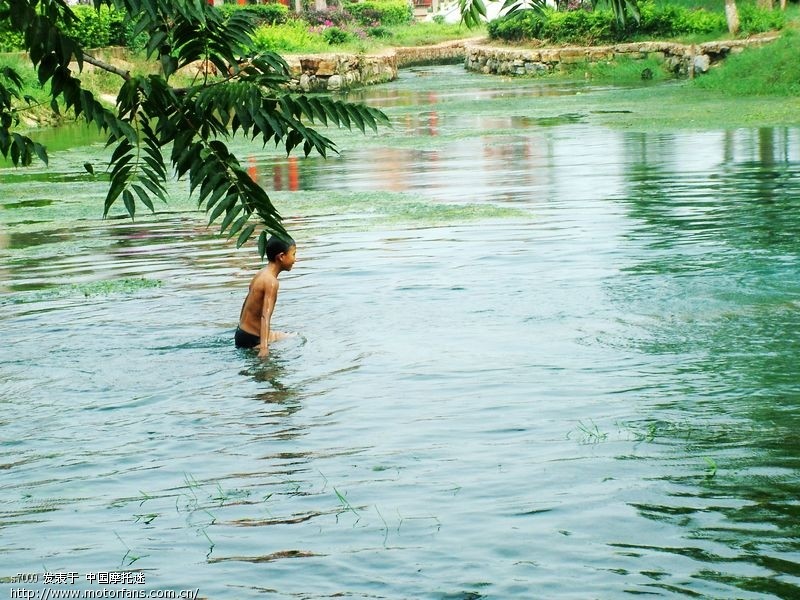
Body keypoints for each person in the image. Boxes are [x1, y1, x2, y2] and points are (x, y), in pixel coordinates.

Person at [235, 235, 296, 358]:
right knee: (271, 373)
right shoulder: (272, 282)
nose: (295, 259)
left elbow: (245, 304)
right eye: (293, 254)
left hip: (242, 333)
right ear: (281, 257)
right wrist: (264, 348)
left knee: (293, 336)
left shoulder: (261, 273)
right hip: (253, 339)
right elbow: (265, 316)